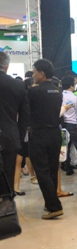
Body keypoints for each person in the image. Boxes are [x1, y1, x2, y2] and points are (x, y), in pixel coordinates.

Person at [27, 59, 64, 219]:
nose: (33, 75)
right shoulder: (57, 91)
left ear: (41, 73)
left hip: (39, 134)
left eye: (35, 72)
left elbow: (27, 112)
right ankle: (50, 203)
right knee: (52, 169)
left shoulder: (33, 92)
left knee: (41, 171)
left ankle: (54, 206)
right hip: (55, 133)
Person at [0, 51, 29, 200]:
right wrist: (18, 136)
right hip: (9, 137)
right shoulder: (17, 85)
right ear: (7, 66)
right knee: (8, 175)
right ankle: (7, 207)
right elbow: (25, 115)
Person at [60, 75, 77, 176]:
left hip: (63, 124)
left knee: (65, 147)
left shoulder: (60, 96)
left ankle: (67, 168)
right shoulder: (75, 97)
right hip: (74, 124)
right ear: (71, 85)